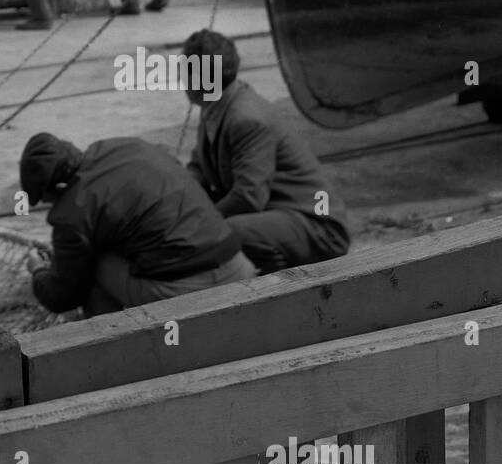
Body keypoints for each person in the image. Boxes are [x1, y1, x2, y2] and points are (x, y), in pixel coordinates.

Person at [20, 133, 257, 316]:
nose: (49, 205)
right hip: (237, 264)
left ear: (59, 187)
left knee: (91, 270)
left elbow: (64, 297)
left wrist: (39, 270)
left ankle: (111, 354)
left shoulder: (72, 213)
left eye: (45, 199)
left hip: (186, 291)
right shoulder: (130, 146)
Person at [181, 30, 351, 274]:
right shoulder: (216, 106)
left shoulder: (245, 118)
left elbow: (248, 197)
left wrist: (199, 225)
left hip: (317, 227)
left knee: (229, 232)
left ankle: (278, 273)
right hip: (279, 216)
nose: (181, 80)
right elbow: (199, 167)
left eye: (185, 71)